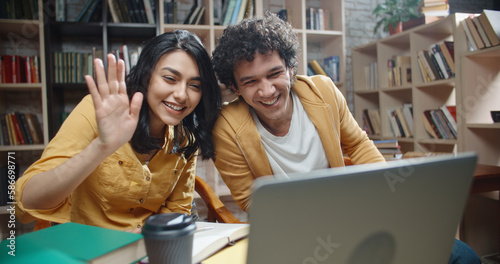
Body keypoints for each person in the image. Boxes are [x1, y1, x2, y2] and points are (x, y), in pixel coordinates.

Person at [211, 13, 480, 264]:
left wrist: (385, 198)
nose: (267, 90)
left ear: (291, 69)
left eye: (274, 74)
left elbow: (359, 145)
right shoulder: (225, 127)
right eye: (250, 82)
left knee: (462, 256)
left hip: (354, 216)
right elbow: (251, 200)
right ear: (235, 87)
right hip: (296, 233)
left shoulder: (324, 92)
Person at [15, 30, 222, 232]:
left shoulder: (185, 138)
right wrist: (102, 146)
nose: (181, 95)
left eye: (195, 85)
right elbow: (27, 202)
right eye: (170, 78)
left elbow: (178, 210)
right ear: (146, 76)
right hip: (87, 249)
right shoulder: (95, 112)